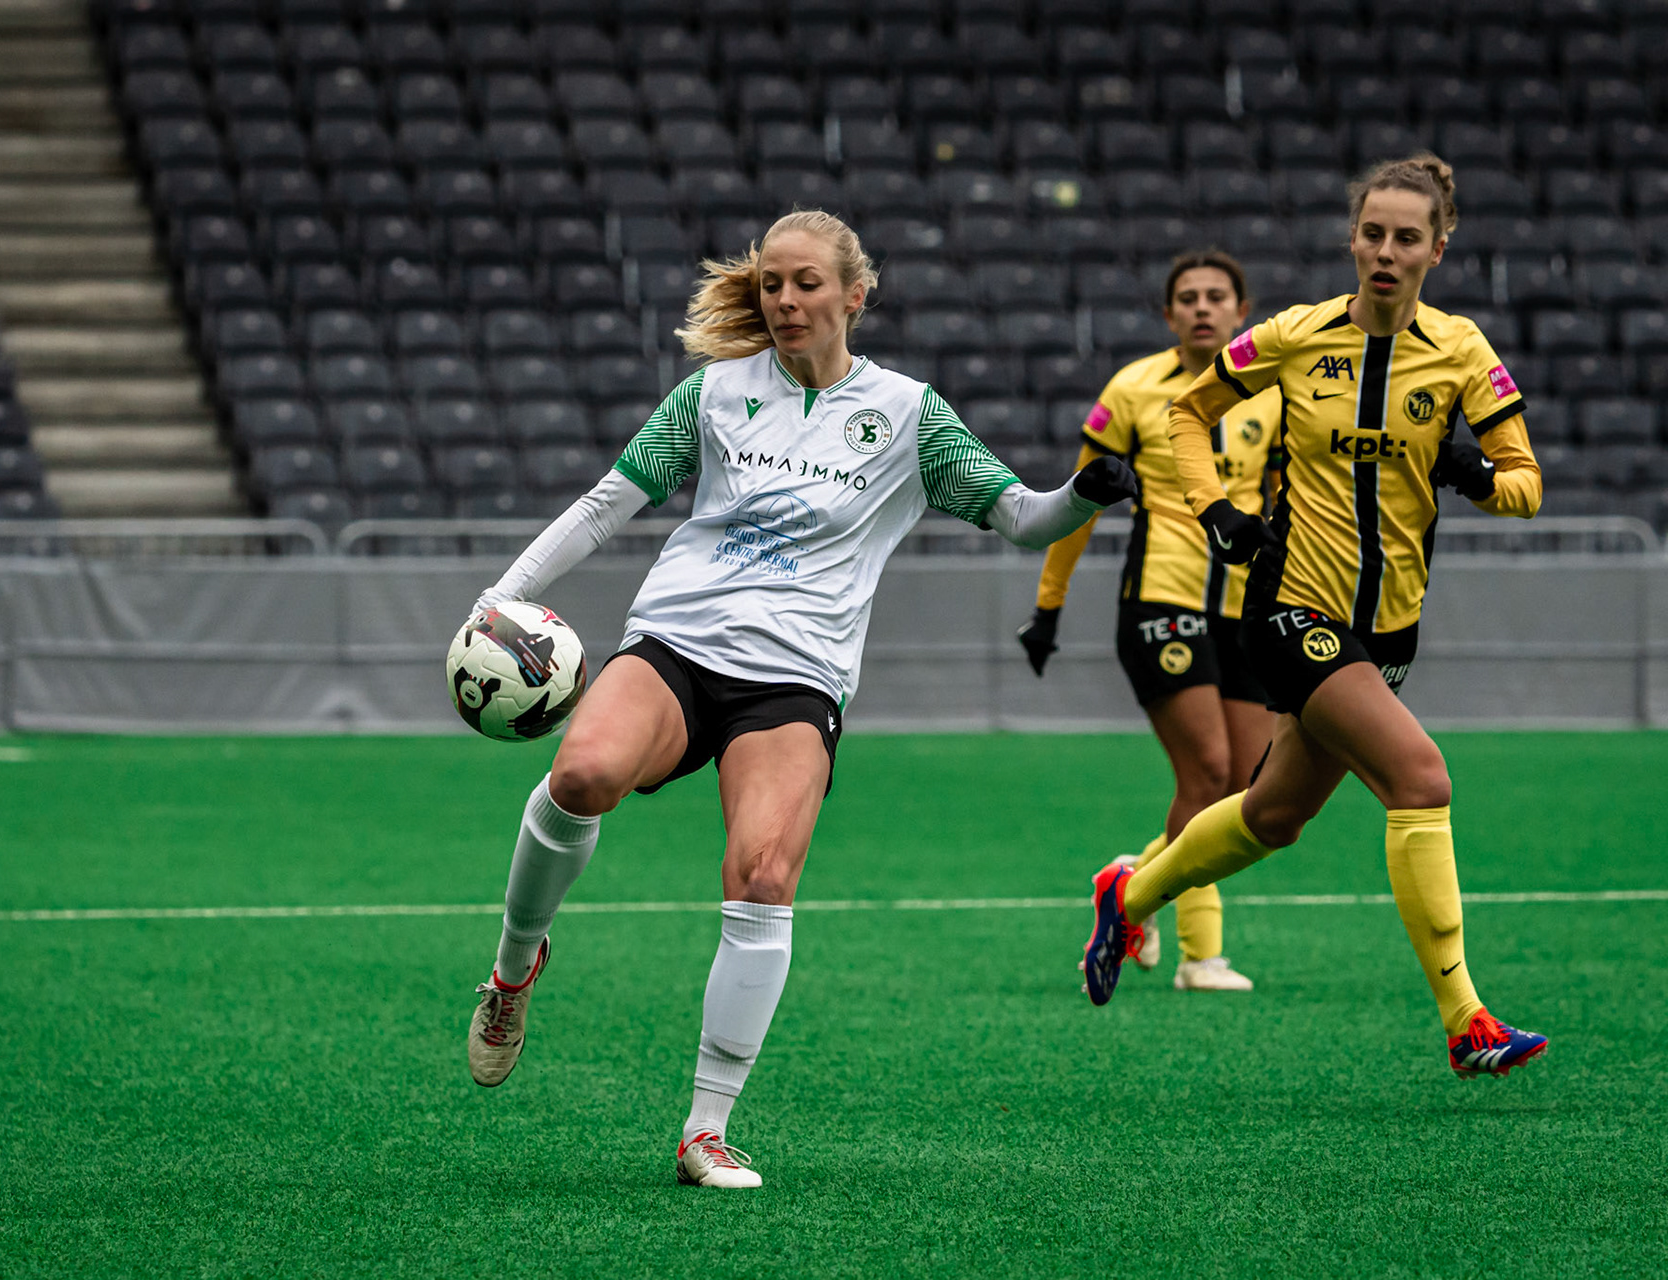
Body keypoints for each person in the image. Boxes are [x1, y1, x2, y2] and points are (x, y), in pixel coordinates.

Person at [463, 209, 1139, 1188]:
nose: (785, 300)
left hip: (795, 676)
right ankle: (512, 972)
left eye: (807, 283)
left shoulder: (910, 415)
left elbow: (1024, 519)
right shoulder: (717, 391)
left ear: (855, 294)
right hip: (678, 644)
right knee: (580, 772)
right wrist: (505, 594)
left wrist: (1083, 490)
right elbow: (612, 498)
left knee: (764, 875)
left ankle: (705, 1128)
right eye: (772, 283)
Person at [1078, 156, 1549, 1078]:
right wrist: (1214, 509)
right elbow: (1186, 412)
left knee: (1273, 814)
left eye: (1406, 237)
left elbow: (1527, 485)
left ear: (1437, 250)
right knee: (1420, 777)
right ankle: (1467, 1020)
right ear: (1353, 239)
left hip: (1391, 627)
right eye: (1372, 232)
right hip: (1292, 606)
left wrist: (1475, 475)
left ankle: (1130, 893)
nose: (1385, 250)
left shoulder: (1462, 352)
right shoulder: (1295, 334)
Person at [1019, 250, 1282, 992]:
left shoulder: (1275, 388)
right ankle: (1204, 956)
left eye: (1217, 296)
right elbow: (1079, 505)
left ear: (1241, 310)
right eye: (1188, 298)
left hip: (1246, 609)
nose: (1202, 308)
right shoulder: (1133, 389)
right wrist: (1048, 605)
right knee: (1205, 776)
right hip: (1161, 603)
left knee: (1248, 793)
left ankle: (1131, 877)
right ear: (1169, 316)